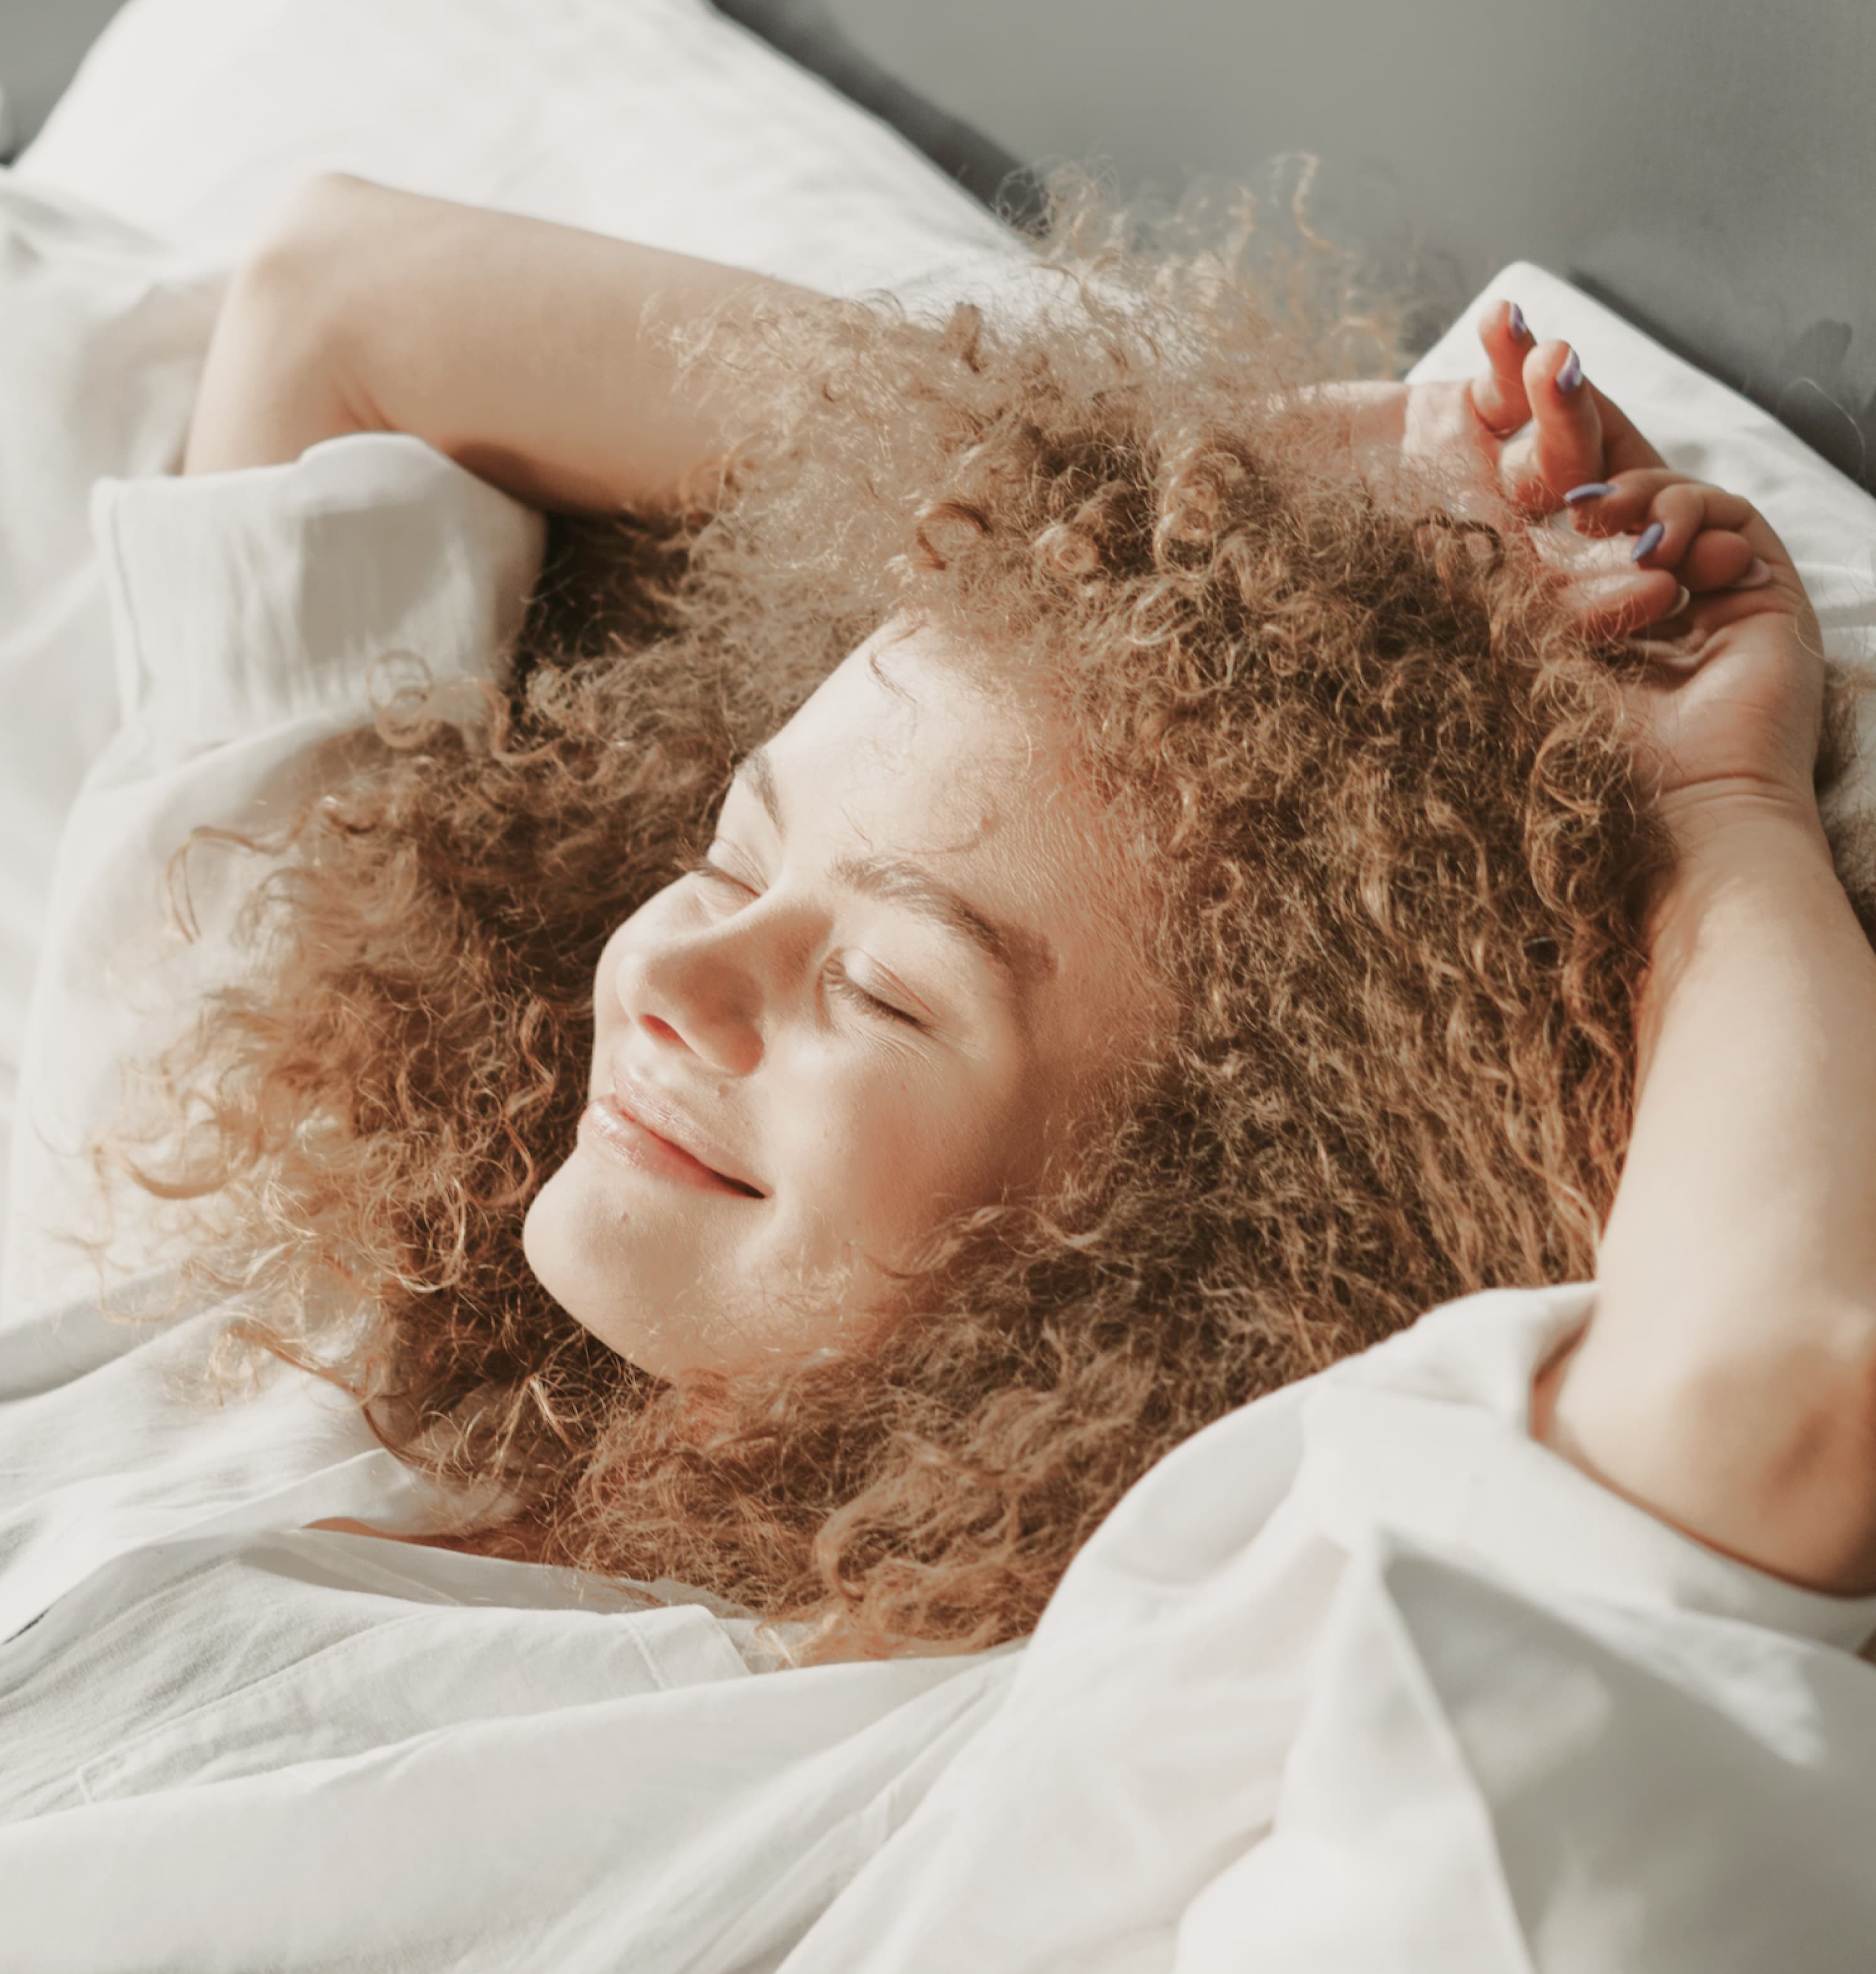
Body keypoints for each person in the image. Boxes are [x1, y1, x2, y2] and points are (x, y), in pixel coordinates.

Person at [128, 173, 1876, 1651]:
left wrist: (1714, 806)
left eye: (885, 991)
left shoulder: (1015, 1760)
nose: (674, 972)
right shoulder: (270, 1222)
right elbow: (331, 313)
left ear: (1174, 1260)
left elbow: (1779, 1407)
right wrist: (1208, 489)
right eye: (735, 858)